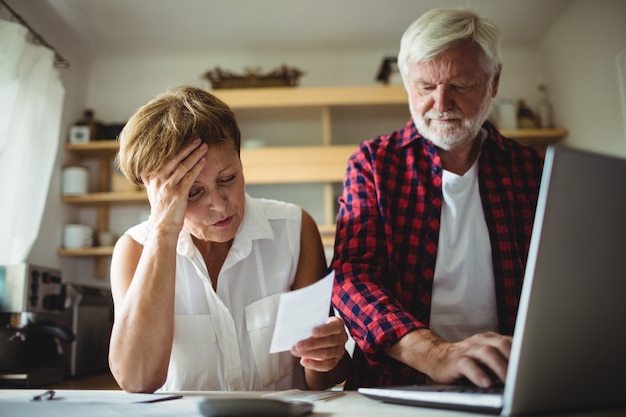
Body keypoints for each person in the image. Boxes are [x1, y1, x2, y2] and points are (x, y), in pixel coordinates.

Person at [331, 8, 544, 390]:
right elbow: (351, 276)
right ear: (407, 84)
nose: (441, 103)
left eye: (461, 85)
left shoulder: (533, 171)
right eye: (426, 87)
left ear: (494, 81)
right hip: (393, 386)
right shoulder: (373, 163)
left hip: (508, 383)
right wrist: (435, 354)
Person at [109, 86, 350, 393]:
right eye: (193, 192)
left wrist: (328, 356)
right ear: (156, 193)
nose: (221, 204)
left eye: (228, 178)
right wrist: (163, 233)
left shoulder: (295, 229)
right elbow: (137, 380)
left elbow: (322, 378)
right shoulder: (135, 249)